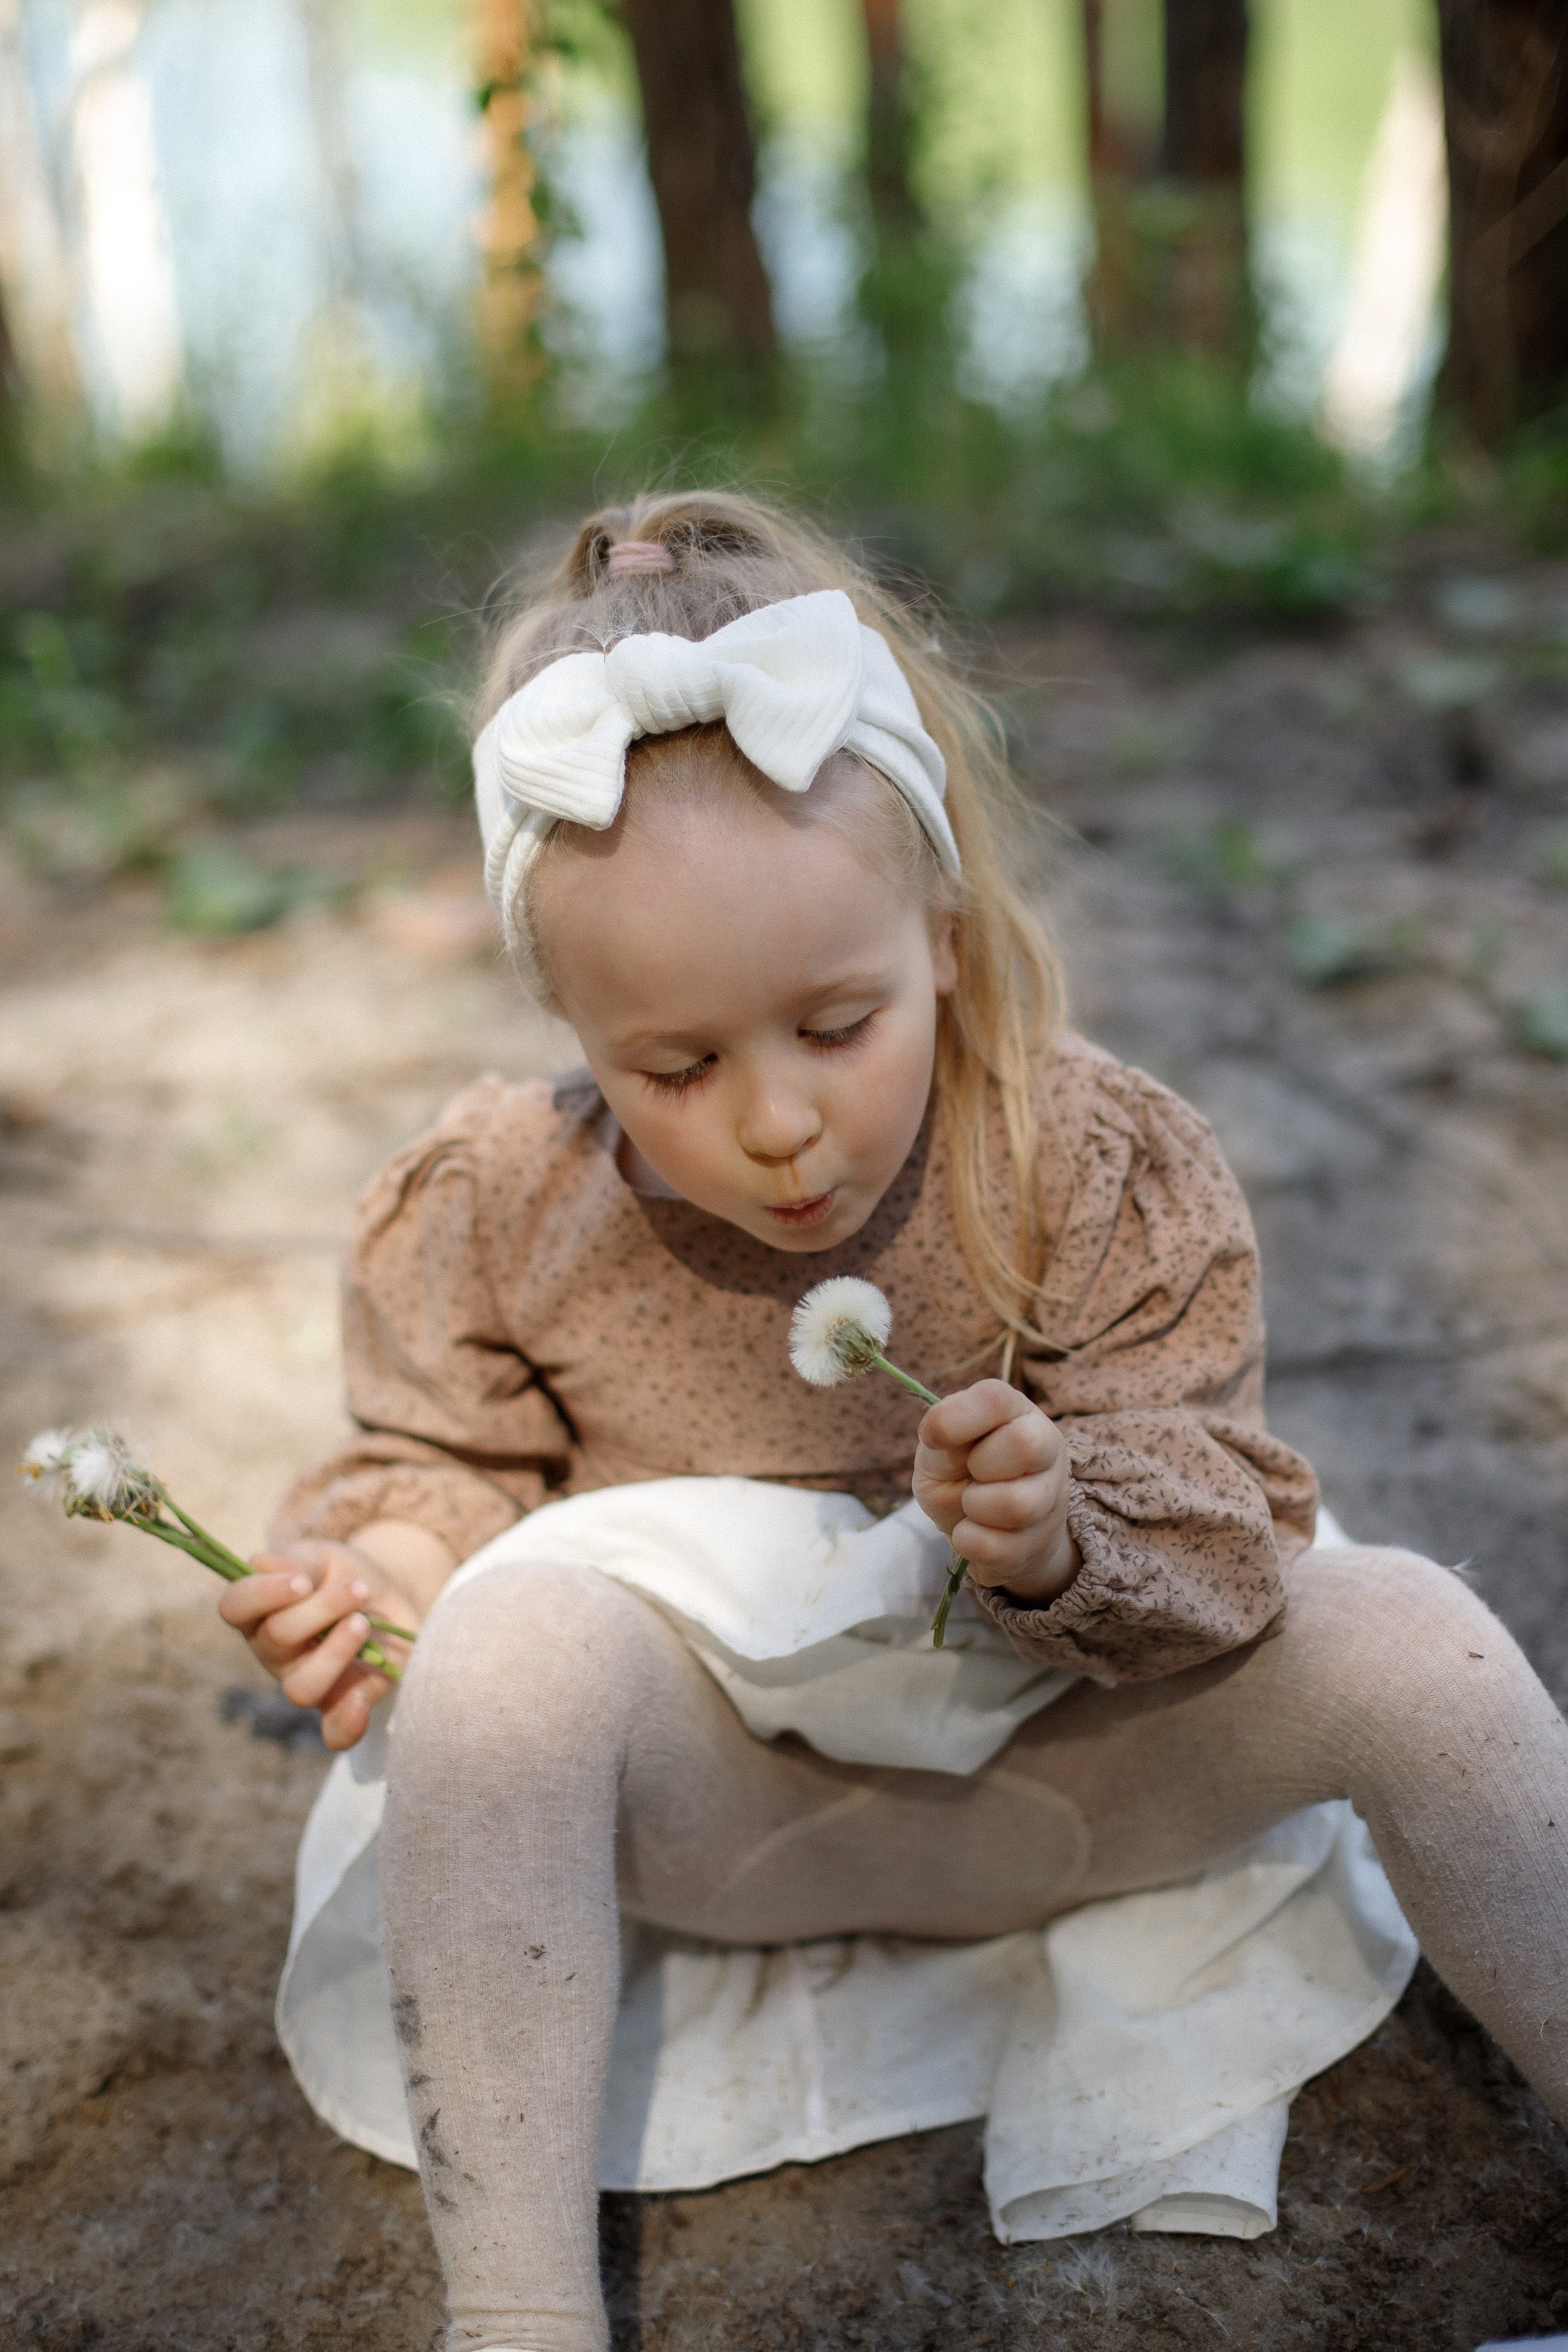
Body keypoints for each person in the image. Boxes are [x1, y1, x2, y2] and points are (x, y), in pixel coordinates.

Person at [219, 491, 1568, 2352]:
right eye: (675, 1066)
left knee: (1415, 1631)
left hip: (1083, 1777)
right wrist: (367, 1574)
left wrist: (1062, 1525)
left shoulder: (1079, 1162)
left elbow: (1214, 1488)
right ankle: (518, 2319)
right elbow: (447, 1464)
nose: (775, 1122)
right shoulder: (504, 1204)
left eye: (833, 1024)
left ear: (940, 929)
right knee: (513, 1651)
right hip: (736, 1830)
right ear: (572, 1017)